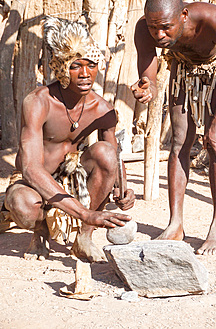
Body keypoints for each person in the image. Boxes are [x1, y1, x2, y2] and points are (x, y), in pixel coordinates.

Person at [3, 16, 135, 262]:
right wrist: (85, 213)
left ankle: (83, 239)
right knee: (22, 204)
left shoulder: (102, 109)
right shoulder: (38, 101)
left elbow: (113, 157)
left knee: (106, 153)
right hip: (32, 182)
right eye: (76, 66)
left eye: (91, 65)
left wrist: (123, 188)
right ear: (62, 68)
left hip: (75, 177)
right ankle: (40, 232)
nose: (85, 74)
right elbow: (31, 169)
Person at [131, 0, 216, 255]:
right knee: (179, 143)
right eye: (154, 28)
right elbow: (148, 63)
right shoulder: (145, 28)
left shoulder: (215, 21)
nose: (159, 34)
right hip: (182, 69)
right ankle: (175, 223)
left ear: (184, 15)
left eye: (165, 27)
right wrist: (149, 86)